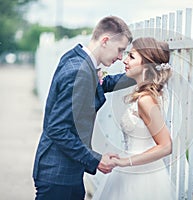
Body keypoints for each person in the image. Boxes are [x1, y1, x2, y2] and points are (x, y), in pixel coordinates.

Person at [32, 16, 136, 200]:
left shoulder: (78, 59)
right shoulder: (78, 71)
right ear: (105, 40)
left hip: (67, 170)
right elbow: (57, 128)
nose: (121, 57)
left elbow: (100, 85)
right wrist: (95, 160)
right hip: (58, 174)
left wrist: (138, 74)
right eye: (120, 50)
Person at [92, 37, 176, 200]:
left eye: (131, 56)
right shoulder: (145, 96)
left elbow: (166, 146)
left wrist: (124, 162)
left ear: (146, 64)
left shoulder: (145, 100)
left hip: (142, 177)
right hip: (133, 169)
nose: (124, 60)